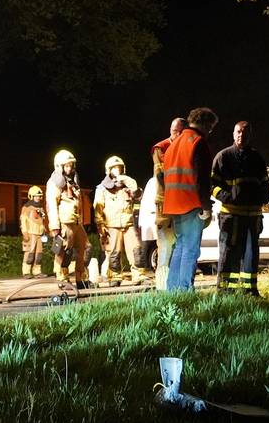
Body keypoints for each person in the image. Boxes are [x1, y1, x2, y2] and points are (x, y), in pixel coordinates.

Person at [161, 108, 219, 291]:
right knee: (191, 249)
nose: (210, 131)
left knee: (180, 246)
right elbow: (201, 178)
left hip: (173, 204)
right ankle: (185, 290)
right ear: (204, 123)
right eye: (210, 127)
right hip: (191, 203)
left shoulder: (173, 144)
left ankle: (173, 289)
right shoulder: (198, 142)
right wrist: (205, 205)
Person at [211, 121, 269, 295]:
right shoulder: (223, 157)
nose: (241, 135)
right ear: (233, 133)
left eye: (244, 132)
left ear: (250, 135)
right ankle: (225, 291)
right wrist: (227, 197)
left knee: (251, 255)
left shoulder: (257, 158)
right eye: (238, 131)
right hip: (231, 216)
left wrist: (264, 198)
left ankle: (250, 291)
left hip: (253, 216)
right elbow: (212, 184)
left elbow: (264, 183)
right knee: (229, 253)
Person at [93, 156, 144, 286]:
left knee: (136, 250)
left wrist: (128, 181)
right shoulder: (102, 188)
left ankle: (138, 275)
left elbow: (138, 195)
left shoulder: (127, 185)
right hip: (112, 225)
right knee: (114, 253)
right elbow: (98, 208)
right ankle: (115, 277)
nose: (118, 170)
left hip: (128, 223)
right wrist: (100, 225)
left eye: (120, 168)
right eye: (115, 168)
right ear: (108, 170)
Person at [149, 118, 187, 290]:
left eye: (178, 131)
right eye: (173, 130)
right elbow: (161, 176)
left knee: (180, 244)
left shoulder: (185, 146)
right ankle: (163, 286)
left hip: (181, 204)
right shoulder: (161, 148)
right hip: (165, 204)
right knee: (165, 245)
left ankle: (177, 284)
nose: (175, 134)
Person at [46, 149, 90, 290]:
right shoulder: (54, 183)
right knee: (64, 252)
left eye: (71, 165)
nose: (69, 168)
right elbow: (51, 205)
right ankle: (62, 278)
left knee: (84, 248)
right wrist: (55, 227)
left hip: (76, 222)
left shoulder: (73, 182)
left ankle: (81, 278)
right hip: (65, 223)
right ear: (59, 166)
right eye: (66, 165)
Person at [19, 185, 48, 278]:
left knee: (39, 254)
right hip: (31, 233)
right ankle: (26, 272)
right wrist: (25, 233)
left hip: (39, 234)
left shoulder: (41, 208)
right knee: (29, 253)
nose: (38, 198)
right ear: (31, 196)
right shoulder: (26, 208)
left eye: (39, 196)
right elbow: (23, 220)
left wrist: (44, 229)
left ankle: (37, 271)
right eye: (36, 196)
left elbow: (42, 221)